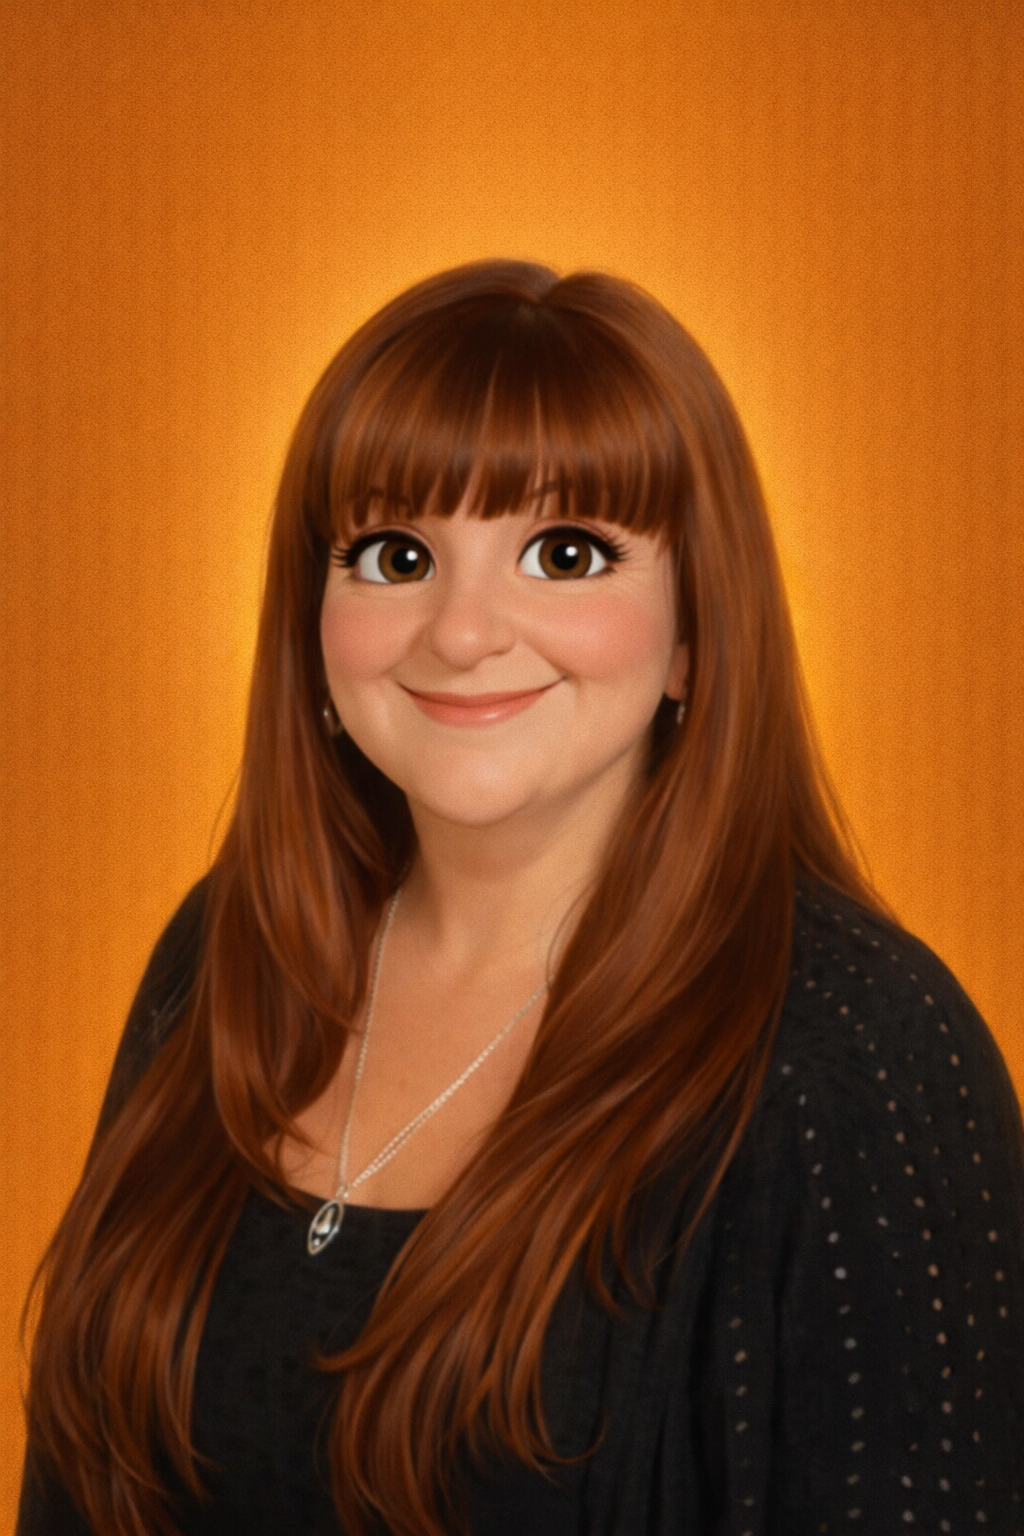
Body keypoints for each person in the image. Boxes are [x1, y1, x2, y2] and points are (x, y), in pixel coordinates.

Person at [18, 259, 1024, 1536]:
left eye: (565, 552)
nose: (461, 631)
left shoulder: (865, 1051)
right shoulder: (226, 950)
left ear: (693, 634)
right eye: (395, 555)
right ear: (311, 620)